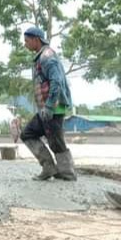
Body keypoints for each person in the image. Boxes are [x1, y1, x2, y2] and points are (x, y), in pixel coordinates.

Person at [21, 26, 76, 181]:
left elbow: (56, 81)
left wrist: (50, 105)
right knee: (28, 134)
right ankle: (49, 167)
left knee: (56, 142)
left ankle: (67, 173)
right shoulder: (42, 57)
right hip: (46, 109)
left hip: (53, 108)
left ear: (36, 40)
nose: (25, 44)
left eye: (27, 41)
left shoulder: (47, 57)